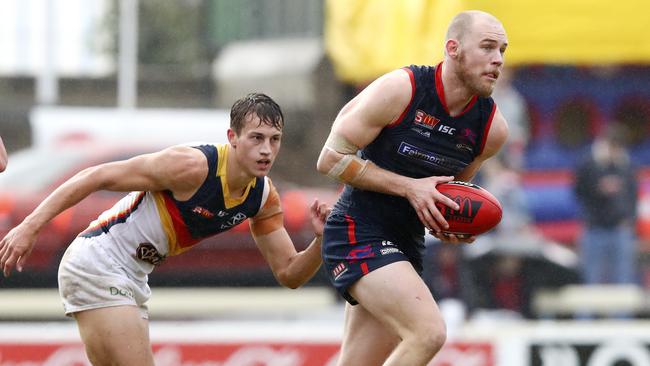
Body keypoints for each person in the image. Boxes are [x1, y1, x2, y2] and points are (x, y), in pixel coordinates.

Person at [0, 93, 330, 366]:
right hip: (98, 262)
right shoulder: (190, 166)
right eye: (256, 138)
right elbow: (94, 176)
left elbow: (290, 274)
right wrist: (29, 227)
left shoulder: (262, 198)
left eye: (275, 140)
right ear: (232, 137)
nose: (266, 150)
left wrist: (319, 239)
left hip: (132, 276)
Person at [316, 10, 509, 366]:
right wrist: (409, 187)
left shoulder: (491, 129)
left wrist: (449, 224)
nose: (497, 60)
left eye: (502, 50)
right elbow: (329, 159)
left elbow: (453, 192)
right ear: (453, 49)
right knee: (428, 333)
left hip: (406, 244)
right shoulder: (401, 89)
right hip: (357, 231)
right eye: (487, 47)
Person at [574, 124, 638, 287]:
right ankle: (586, 313)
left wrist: (629, 218)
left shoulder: (625, 164)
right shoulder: (588, 163)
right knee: (590, 278)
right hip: (594, 228)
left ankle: (622, 314)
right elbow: (578, 191)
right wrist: (598, 184)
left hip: (619, 228)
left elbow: (633, 194)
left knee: (623, 278)